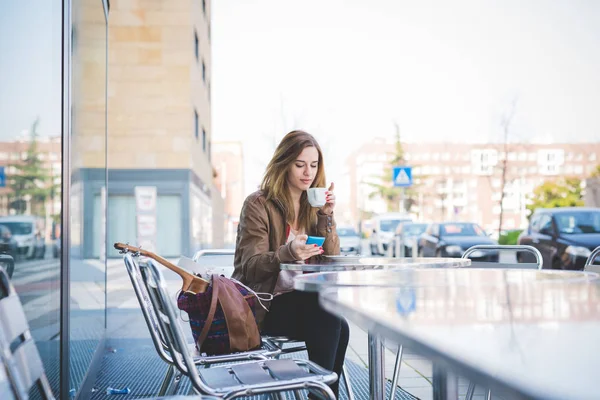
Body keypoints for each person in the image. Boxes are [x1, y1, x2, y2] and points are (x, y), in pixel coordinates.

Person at [232, 130, 349, 398]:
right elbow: (250, 266)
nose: (308, 172)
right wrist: (288, 253)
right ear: (284, 164)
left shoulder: (313, 206)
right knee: (327, 313)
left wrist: (326, 217)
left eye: (314, 164)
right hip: (265, 304)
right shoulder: (258, 204)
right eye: (299, 164)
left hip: (302, 303)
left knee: (339, 325)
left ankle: (321, 395)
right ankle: (322, 395)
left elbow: (330, 256)